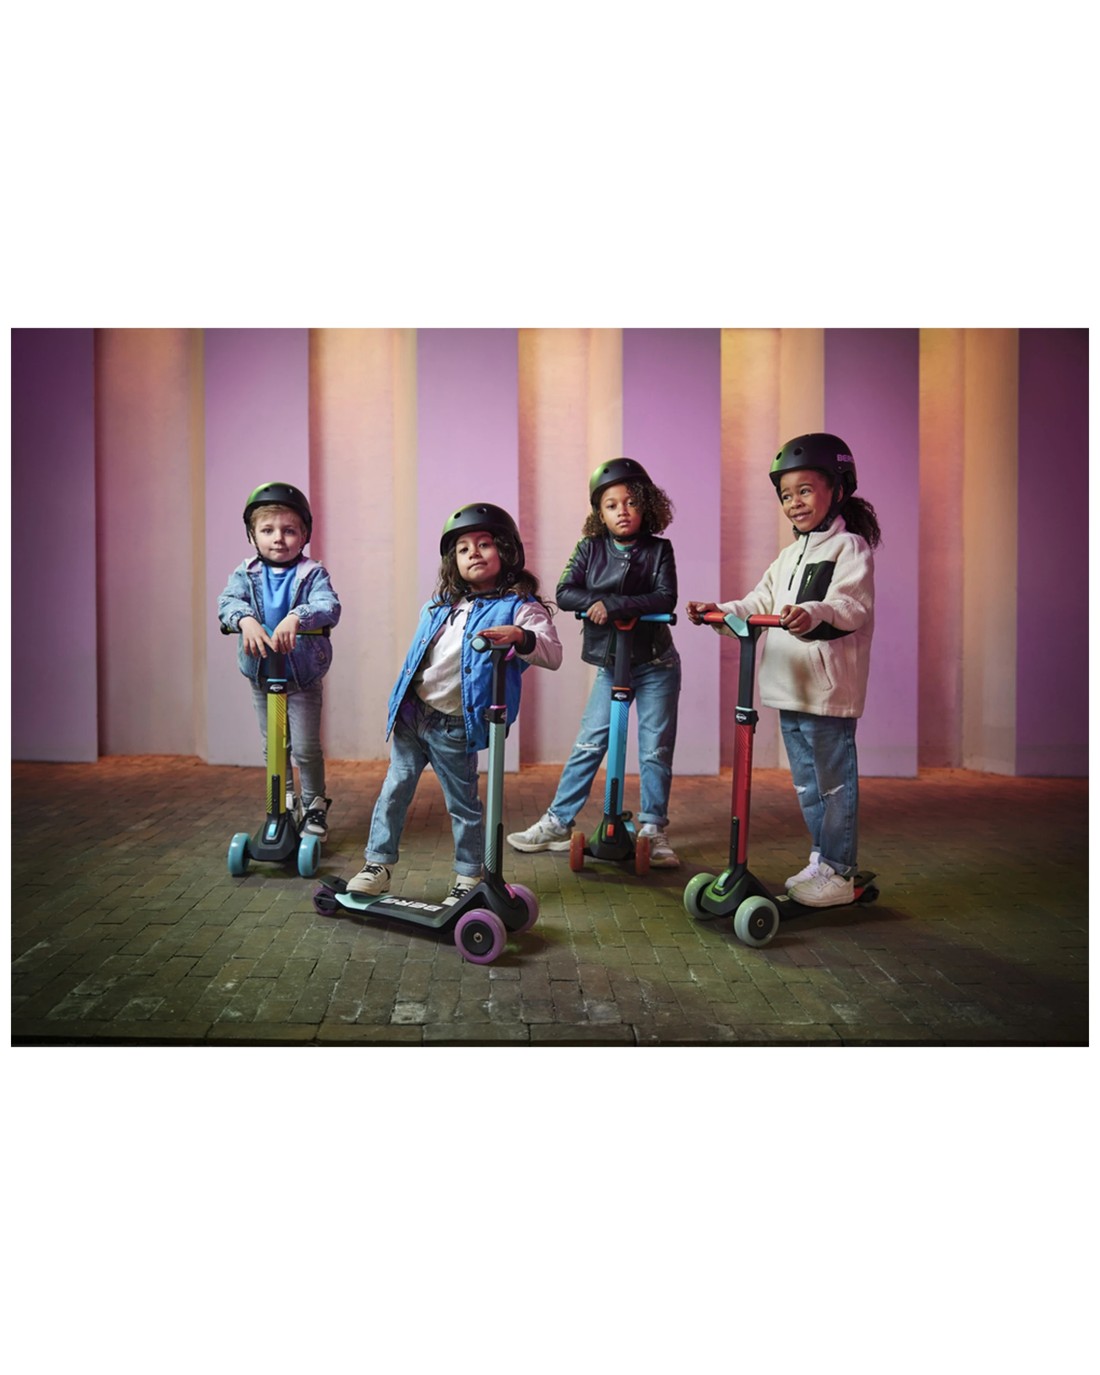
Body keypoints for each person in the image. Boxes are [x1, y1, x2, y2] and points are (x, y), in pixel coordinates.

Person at [687, 432, 881, 908]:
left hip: (826, 693)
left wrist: (812, 613)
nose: (795, 503)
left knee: (834, 785)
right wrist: (719, 611)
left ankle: (839, 871)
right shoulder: (788, 556)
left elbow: (850, 606)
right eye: (787, 495)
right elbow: (758, 602)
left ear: (838, 489)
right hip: (787, 688)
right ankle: (821, 859)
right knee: (808, 785)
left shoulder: (849, 548)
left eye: (805, 490)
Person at [348, 503, 562, 904]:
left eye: (484, 544)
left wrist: (520, 636)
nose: (473, 553)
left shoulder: (519, 606)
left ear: (506, 550)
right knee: (394, 790)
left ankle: (468, 876)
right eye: (463, 549)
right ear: (453, 562)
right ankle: (377, 865)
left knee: (463, 805)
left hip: (455, 724)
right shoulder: (442, 605)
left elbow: (552, 653)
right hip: (413, 713)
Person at [507, 457, 682, 867]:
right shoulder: (589, 548)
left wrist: (613, 604)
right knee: (589, 743)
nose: (622, 511)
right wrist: (599, 601)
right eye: (611, 504)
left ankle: (653, 829)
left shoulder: (659, 550)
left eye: (631, 502)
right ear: (599, 513)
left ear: (646, 505)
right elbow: (566, 592)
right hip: (612, 664)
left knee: (655, 748)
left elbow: (665, 597)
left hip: (656, 664)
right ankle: (557, 822)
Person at [218, 481, 341, 840]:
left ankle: (314, 804)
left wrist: (297, 617)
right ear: (252, 535)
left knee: (305, 747)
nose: (278, 539)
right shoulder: (245, 573)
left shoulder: (312, 573)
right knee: (273, 744)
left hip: (301, 677)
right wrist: (244, 619)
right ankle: (283, 799)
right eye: (267, 530)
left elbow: (329, 606)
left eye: (289, 530)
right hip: (262, 674)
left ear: (304, 535)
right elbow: (228, 602)